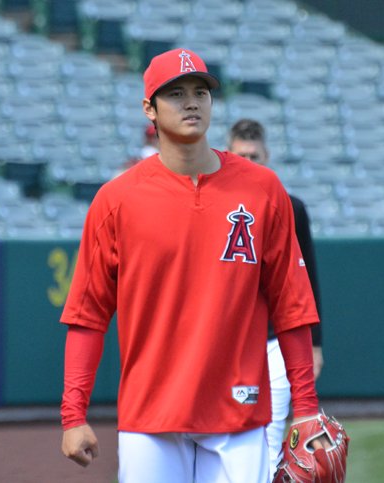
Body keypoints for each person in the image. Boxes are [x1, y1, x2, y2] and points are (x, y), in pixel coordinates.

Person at [59, 48, 325, 483]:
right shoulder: (116, 200)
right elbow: (87, 315)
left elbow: (292, 305)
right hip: (151, 415)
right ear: (149, 108)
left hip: (239, 412)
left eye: (201, 91)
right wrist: (73, 415)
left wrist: (307, 409)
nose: (192, 102)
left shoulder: (263, 189)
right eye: (176, 93)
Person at [227, 118, 324, 476]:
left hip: (277, 338)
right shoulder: (218, 205)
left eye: (254, 155)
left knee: (270, 433)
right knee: (230, 435)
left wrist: (314, 343)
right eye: (241, 155)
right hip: (233, 340)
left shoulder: (290, 205)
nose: (248, 161)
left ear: (266, 155)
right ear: (228, 154)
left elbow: (307, 278)